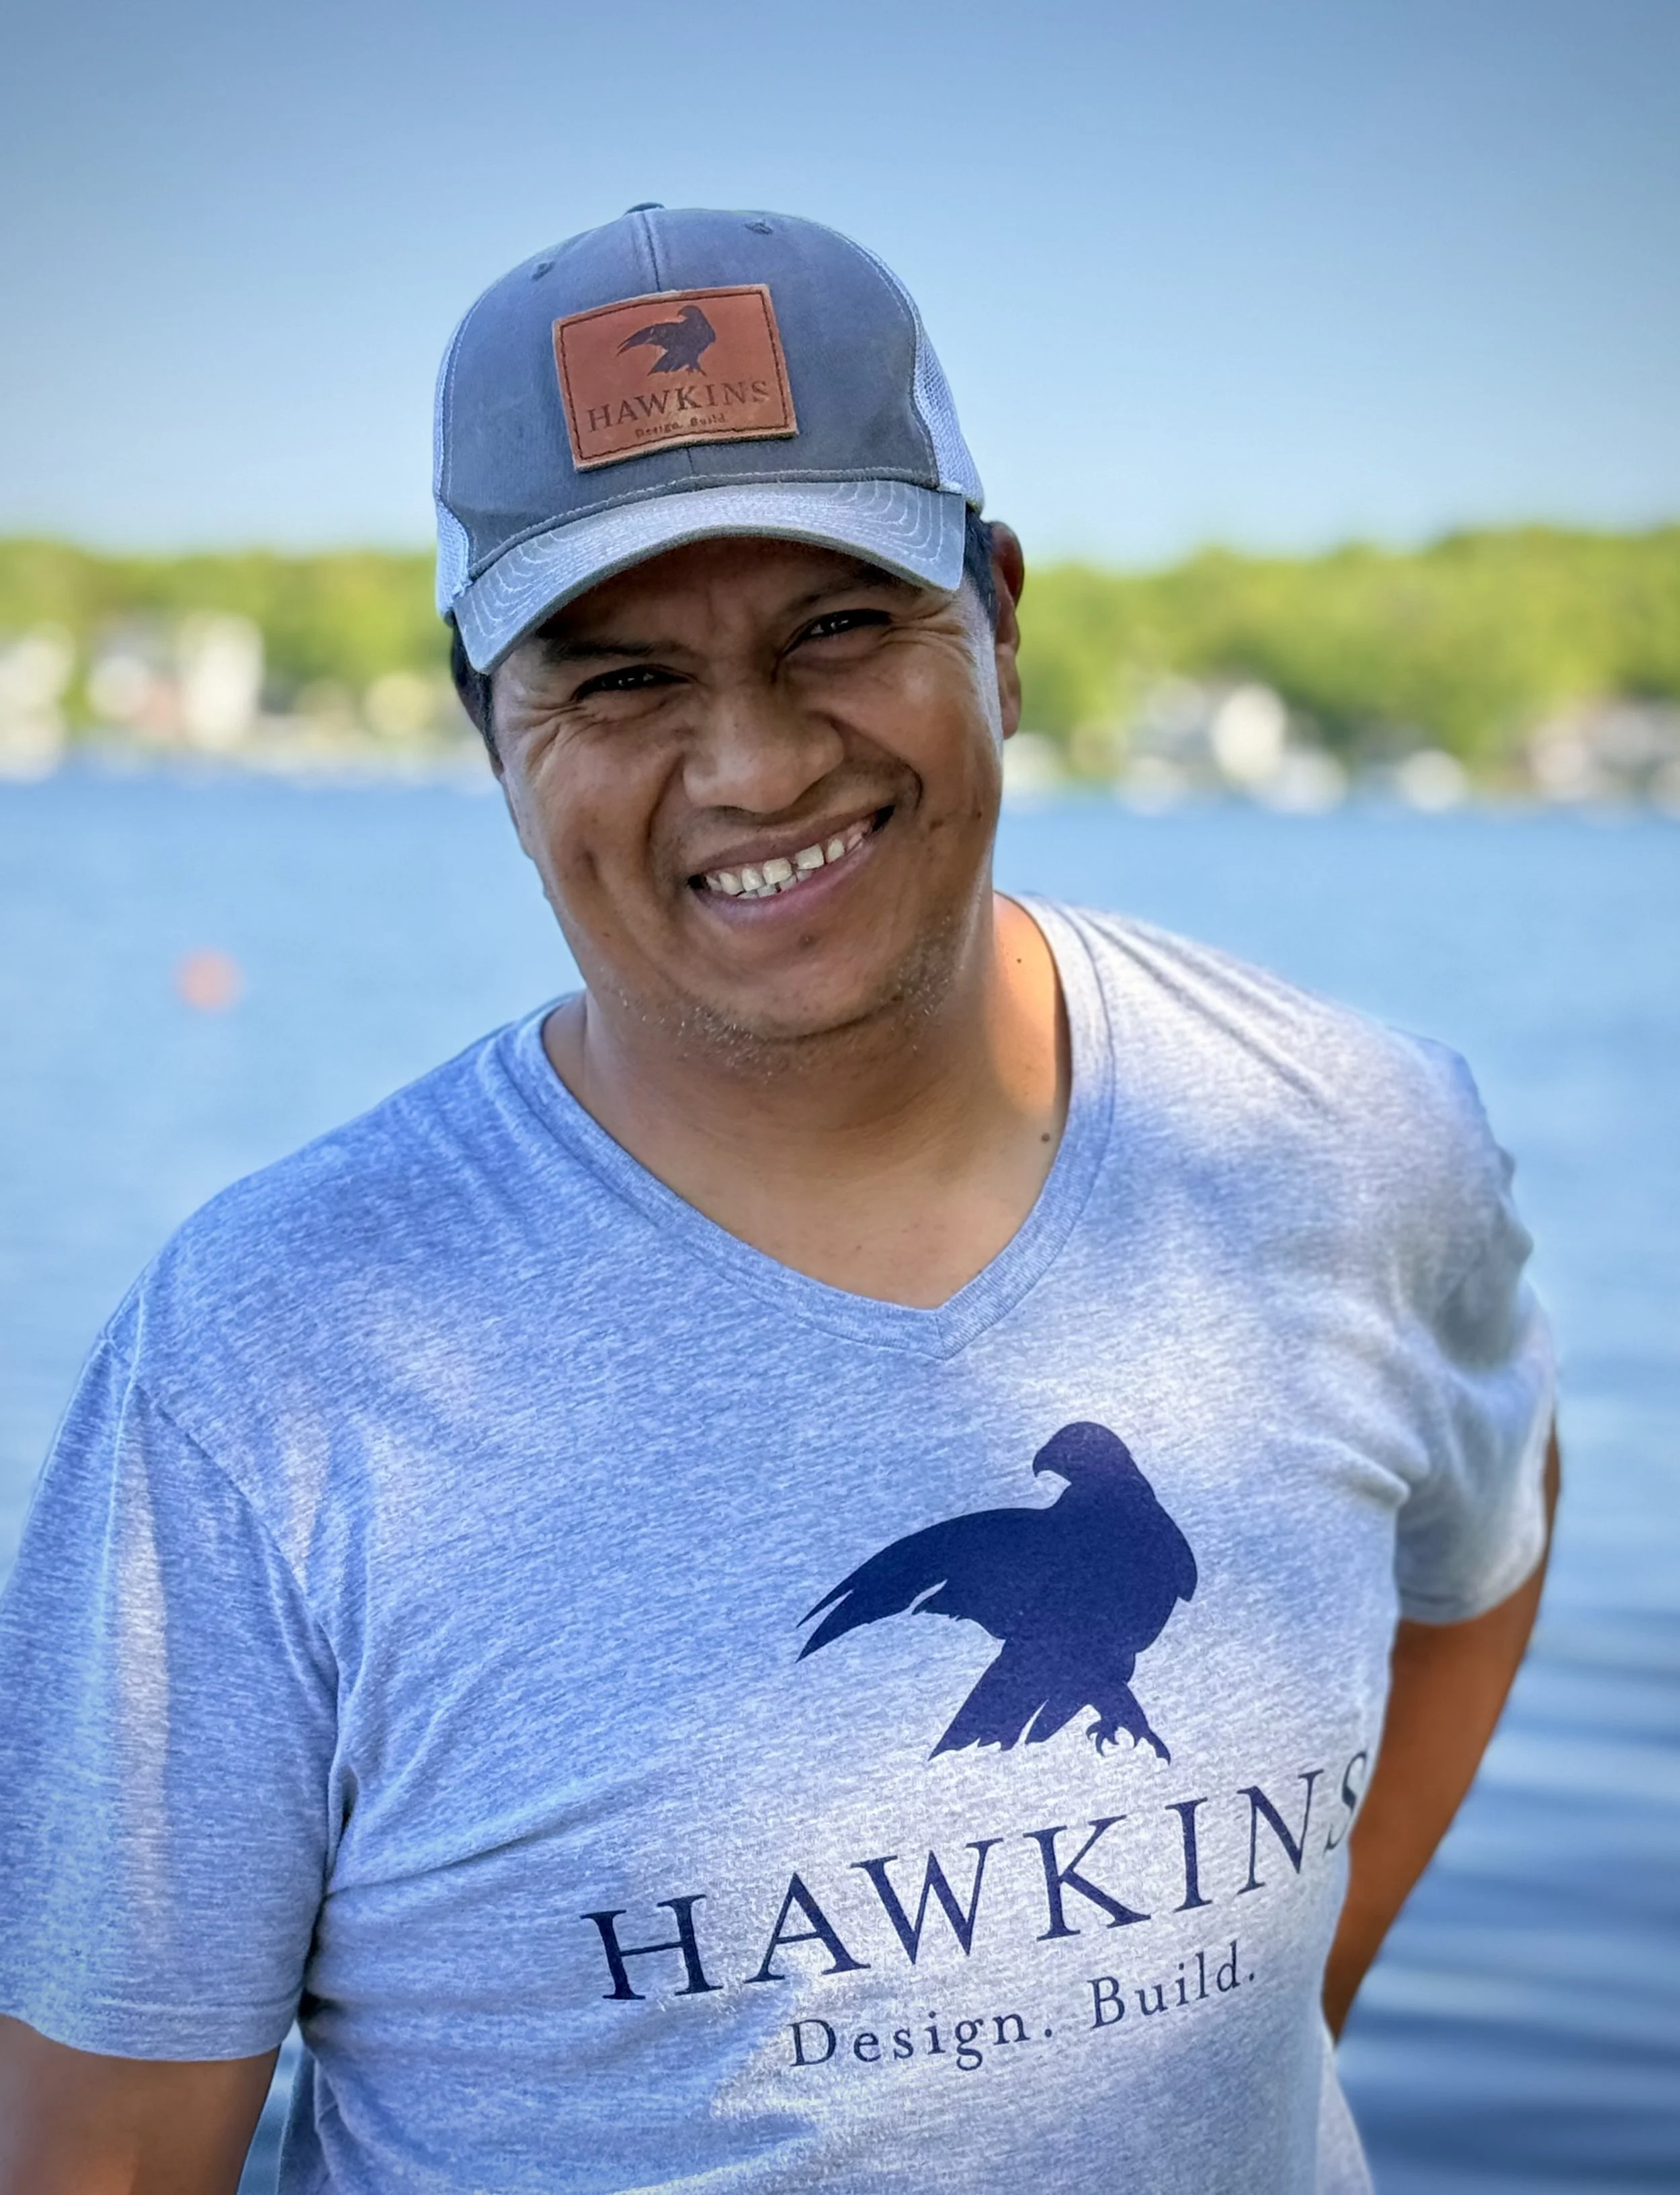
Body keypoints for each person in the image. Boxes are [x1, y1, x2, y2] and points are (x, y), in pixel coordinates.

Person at [0, 206, 1557, 2195]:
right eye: (622, 678)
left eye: (838, 626)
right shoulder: (271, 1361)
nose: (747, 764)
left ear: (995, 618)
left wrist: (1280, 2012)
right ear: (491, 720)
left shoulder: (1347, 1141)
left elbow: (1489, 1540)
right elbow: (102, 2165)